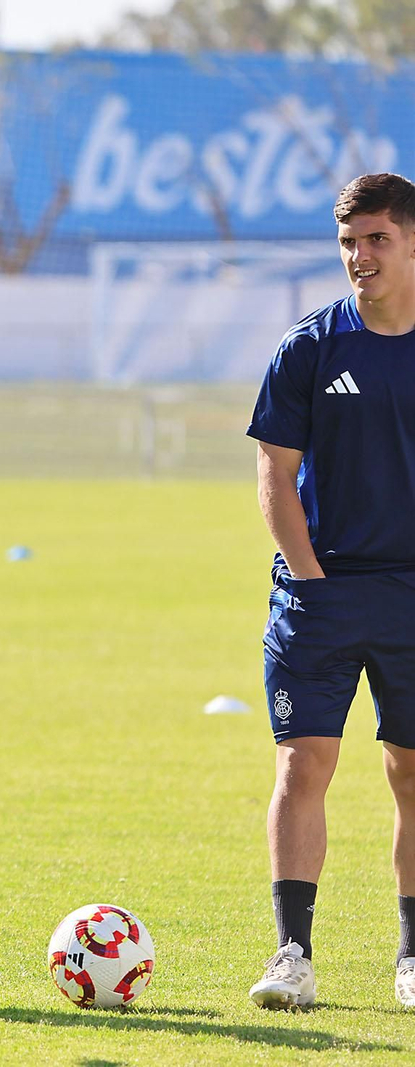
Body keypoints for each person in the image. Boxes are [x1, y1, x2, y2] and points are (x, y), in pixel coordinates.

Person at [247, 171, 415, 1011]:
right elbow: (274, 474)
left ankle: (413, 956)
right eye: (350, 242)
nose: (360, 257)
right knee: (302, 762)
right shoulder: (309, 345)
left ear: (413, 242)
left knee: (412, 772)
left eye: (378, 239)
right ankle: (292, 955)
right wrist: (309, 578)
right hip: (320, 592)